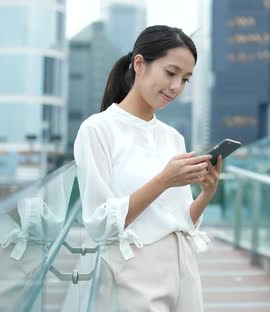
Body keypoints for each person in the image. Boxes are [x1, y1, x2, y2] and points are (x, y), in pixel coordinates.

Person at [73, 25, 221, 311]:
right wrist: (164, 180)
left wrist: (206, 194)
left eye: (186, 79)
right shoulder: (97, 129)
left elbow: (178, 220)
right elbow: (100, 223)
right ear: (140, 64)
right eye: (170, 73)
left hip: (183, 265)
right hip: (134, 269)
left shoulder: (172, 137)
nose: (176, 86)